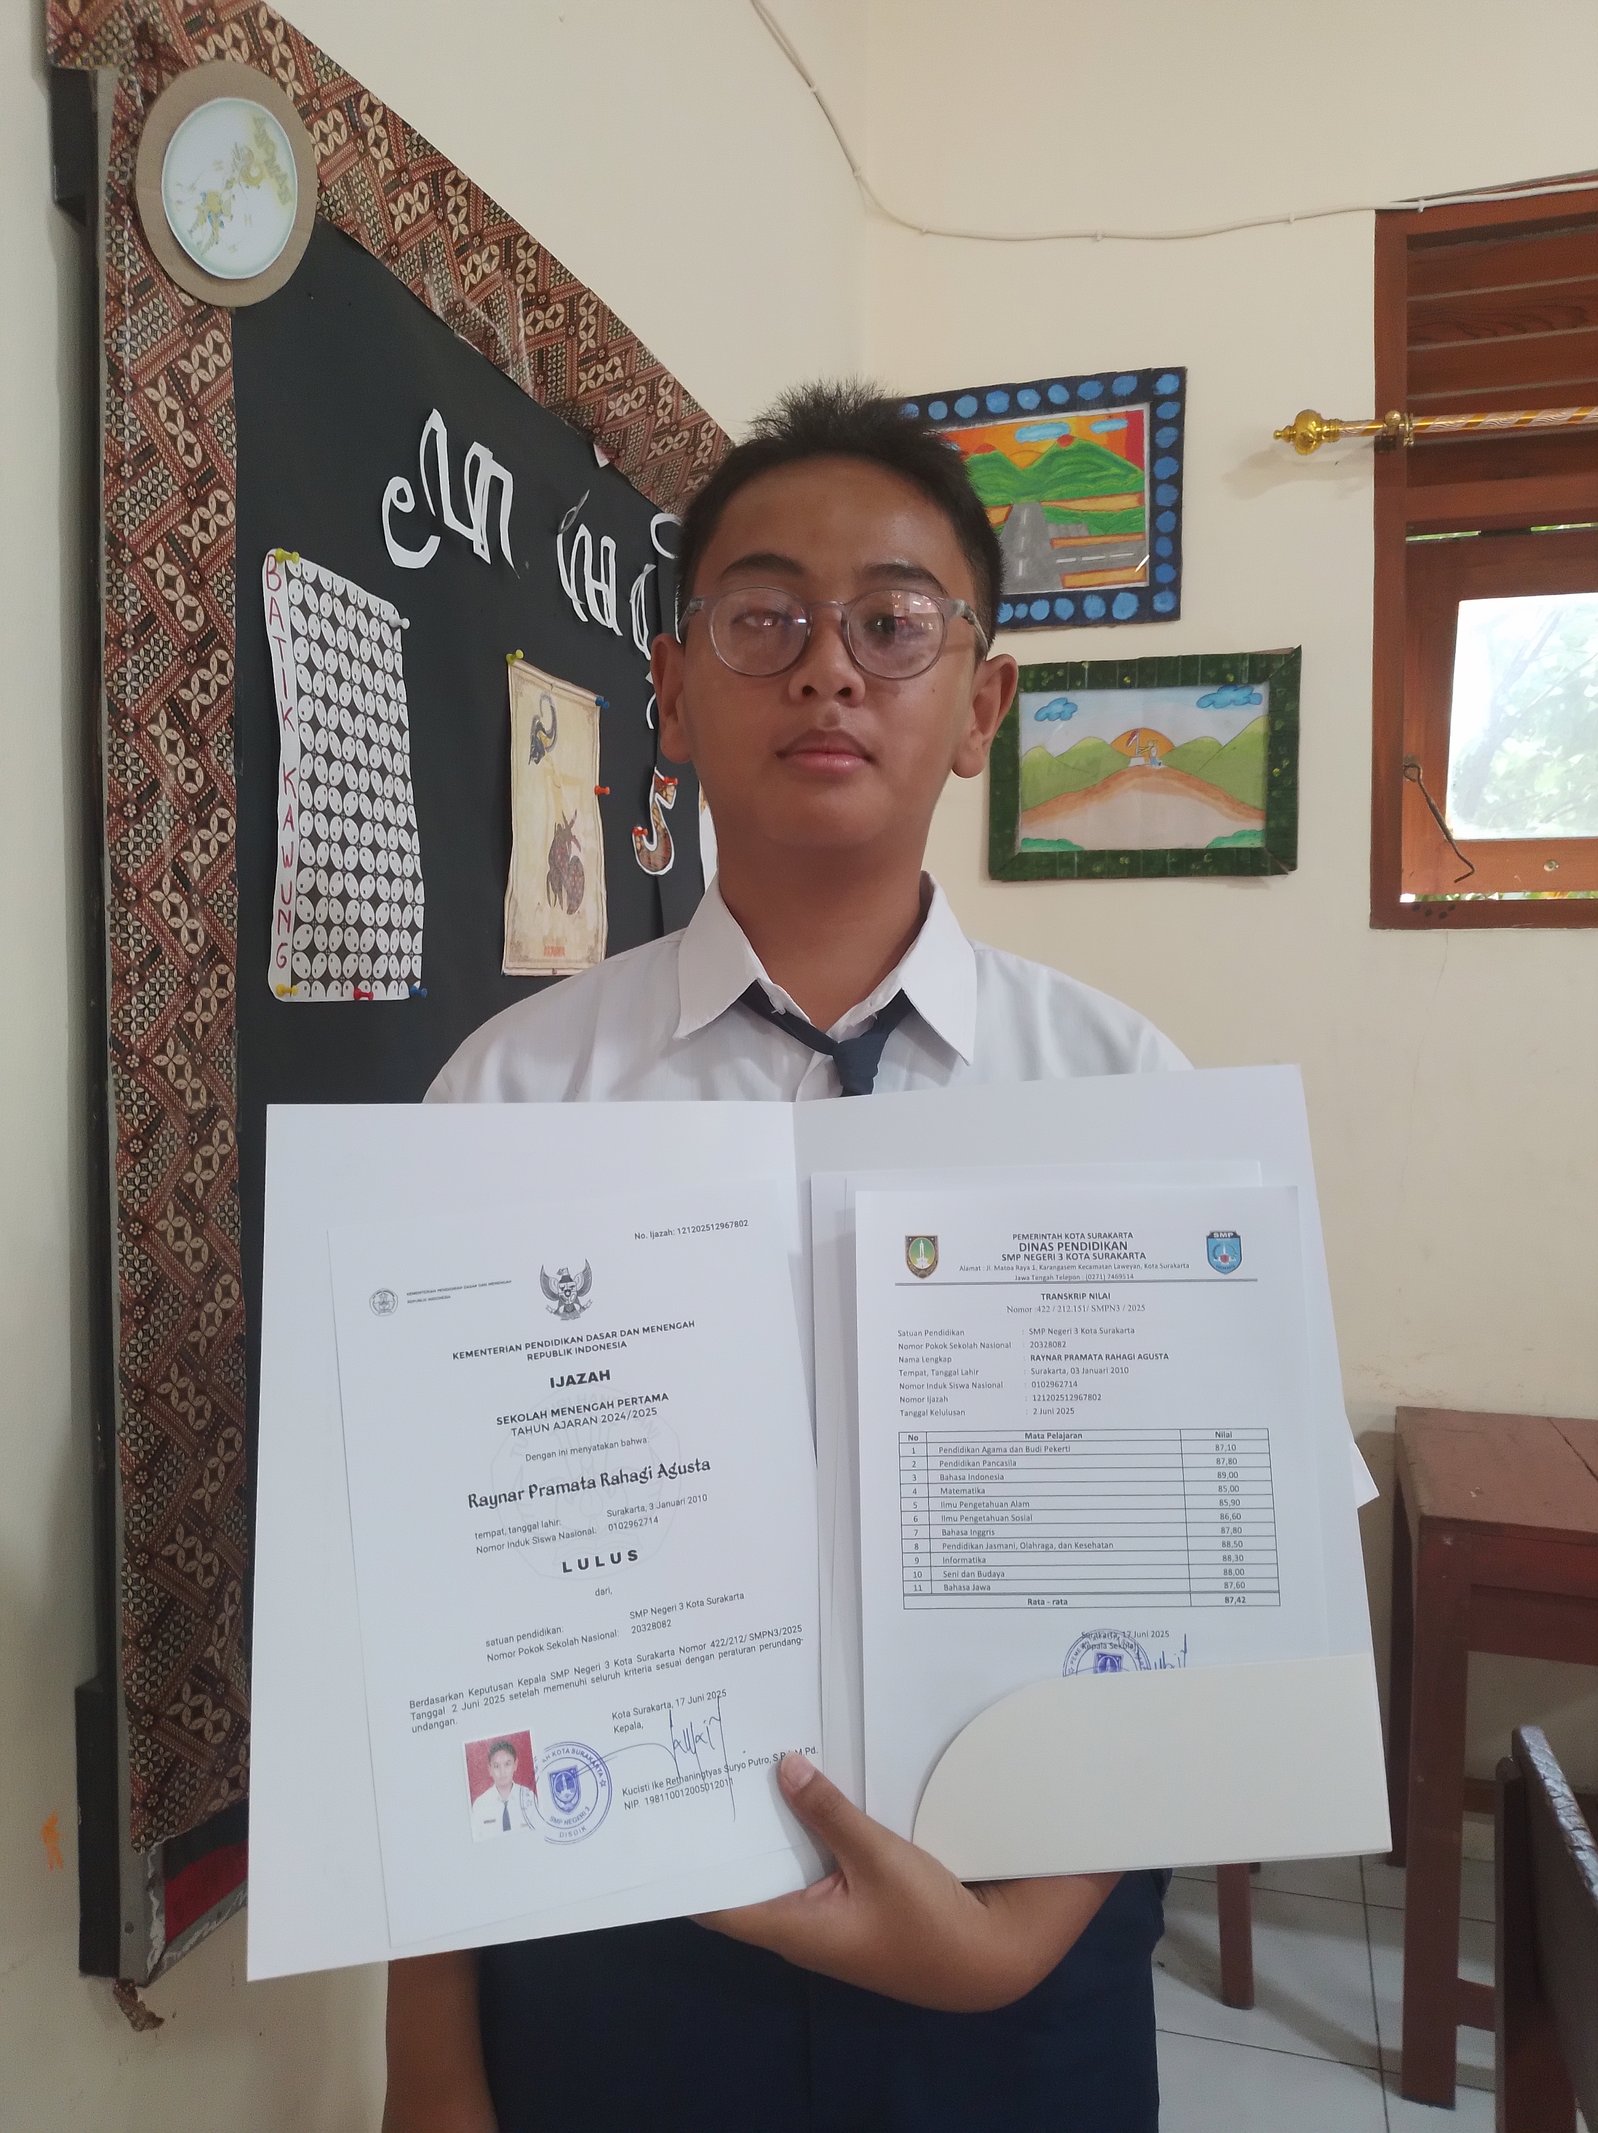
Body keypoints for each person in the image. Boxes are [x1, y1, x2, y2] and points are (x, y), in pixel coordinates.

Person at [384, 382, 1187, 2133]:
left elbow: (1194, 1582)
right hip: (610, 1946)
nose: (830, 669)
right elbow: (430, 1605)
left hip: (1027, 1953)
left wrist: (1007, 1944)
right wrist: (430, 2059)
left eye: (894, 622)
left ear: (980, 706)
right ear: (672, 692)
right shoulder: (510, 1096)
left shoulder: (1126, 1092)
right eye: (765, 618)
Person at [469, 1740, 537, 1839]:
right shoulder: (480, 1804)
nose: (502, 1771)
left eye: (507, 1764)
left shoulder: (529, 1797)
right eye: (496, 1766)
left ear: (515, 1765)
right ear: (490, 1769)